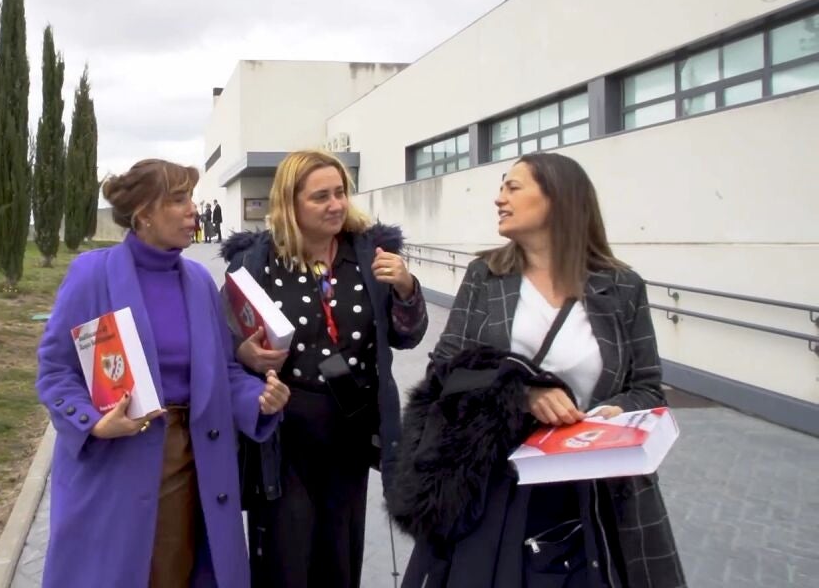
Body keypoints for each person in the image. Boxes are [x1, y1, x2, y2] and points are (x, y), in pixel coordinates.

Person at [394, 152, 686, 587]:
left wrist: (615, 413)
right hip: (495, 485)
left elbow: (647, 387)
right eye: (501, 188)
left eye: (513, 188)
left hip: (598, 489)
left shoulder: (622, 287)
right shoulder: (485, 277)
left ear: (557, 198)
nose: (499, 199)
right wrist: (522, 392)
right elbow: (444, 372)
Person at [36, 158, 291, 588]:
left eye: (191, 198)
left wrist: (258, 399)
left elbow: (224, 370)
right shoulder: (92, 274)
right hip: (115, 463)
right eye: (178, 200)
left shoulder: (199, 281)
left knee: (180, 570)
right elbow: (56, 369)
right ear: (144, 214)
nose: (193, 210)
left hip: (192, 462)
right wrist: (93, 421)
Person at [221, 149, 428, 588]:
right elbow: (227, 339)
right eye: (320, 197)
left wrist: (407, 288)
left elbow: (407, 336)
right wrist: (246, 354)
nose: (336, 204)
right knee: (285, 549)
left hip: (351, 422)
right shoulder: (255, 261)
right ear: (290, 203)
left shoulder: (370, 253)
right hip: (283, 426)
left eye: (340, 193)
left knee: (340, 548)